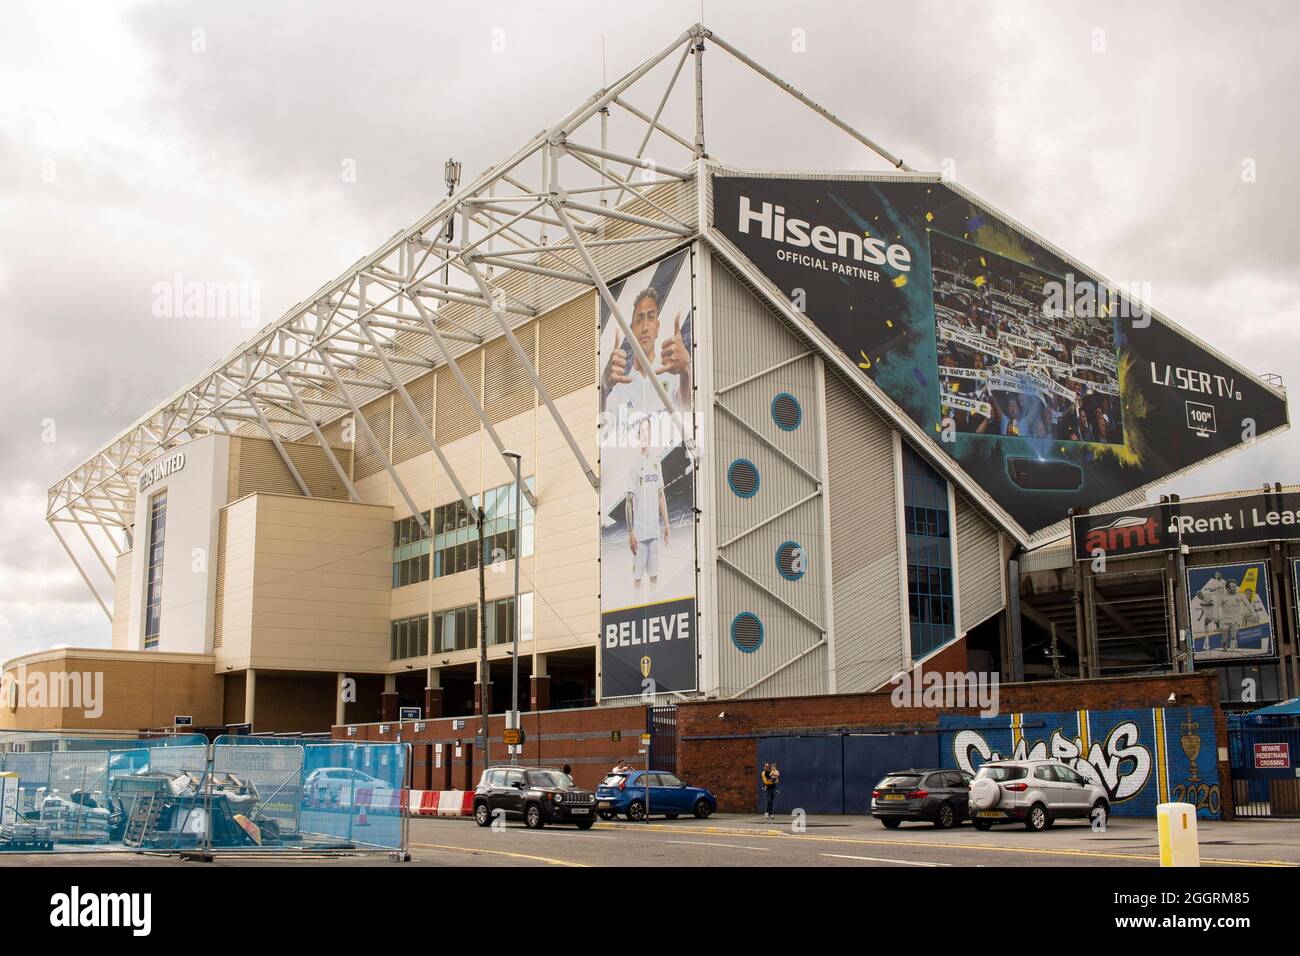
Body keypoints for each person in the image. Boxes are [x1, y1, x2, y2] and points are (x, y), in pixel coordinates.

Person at [602, 286, 692, 415]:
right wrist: (604, 387)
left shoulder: (674, 379)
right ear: (630, 330)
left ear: (657, 327)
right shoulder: (620, 391)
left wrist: (686, 371)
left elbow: (688, 409)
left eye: (650, 318)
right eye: (639, 320)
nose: (644, 327)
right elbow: (603, 427)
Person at [625, 416, 670, 596]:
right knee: (637, 578)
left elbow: (660, 494)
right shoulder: (634, 468)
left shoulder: (656, 462)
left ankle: (653, 603)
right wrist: (630, 532)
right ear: (638, 436)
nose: (646, 434)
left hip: (654, 531)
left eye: (648, 431)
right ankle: (635, 604)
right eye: (642, 431)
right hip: (639, 534)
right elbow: (628, 502)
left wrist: (666, 524)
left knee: (654, 576)